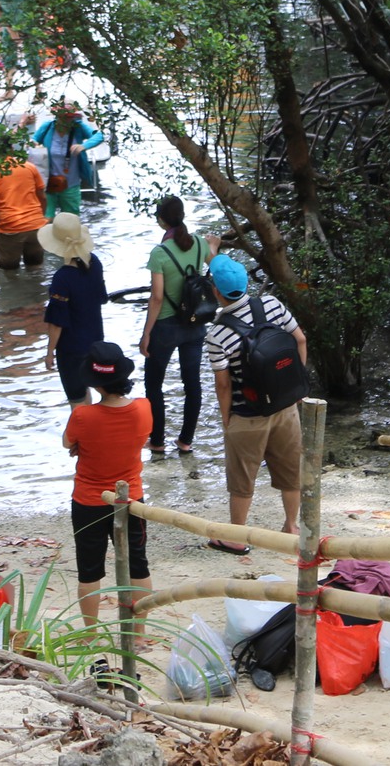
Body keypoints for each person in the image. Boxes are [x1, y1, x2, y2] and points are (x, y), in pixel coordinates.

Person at [202, 256, 308, 555]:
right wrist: (295, 386)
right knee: (290, 470)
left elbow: (223, 385)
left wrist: (227, 420)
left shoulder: (217, 335)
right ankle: (291, 526)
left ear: (216, 292)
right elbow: (300, 339)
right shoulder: (273, 305)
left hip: (248, 414)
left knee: (242, 478)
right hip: (285, 407)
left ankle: (237, 536)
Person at [63, 341, 154, 628]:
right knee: (138, 563)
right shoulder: (143, 408)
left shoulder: (83, 416)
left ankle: (91, 634)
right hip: (131, 499)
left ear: (95, 383)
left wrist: (83, 446)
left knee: (89, 571)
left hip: (89, 500)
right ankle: (138, 634)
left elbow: (68, 442)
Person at [139, 196, 214, 455]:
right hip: (195, 323)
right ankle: (185, 441)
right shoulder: (200, 244)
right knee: (192, 383)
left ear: (162, 220)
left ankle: (157, 441)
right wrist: (215, 246)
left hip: (166, 328)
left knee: (153, 384)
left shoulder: (159, 253)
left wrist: (146, 334)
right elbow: (214, 266)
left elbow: (157, 297)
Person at [39, 213, 106, 405]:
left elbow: (57, 322)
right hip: (95, 342)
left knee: (77, 404)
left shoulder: (62, 277)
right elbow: (101, 297)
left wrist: (50, 351)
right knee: (88, 392)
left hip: (71, 349)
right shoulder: (95, 263)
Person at [0, 129, 48, 270]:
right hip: (36, 226)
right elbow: (42, 196)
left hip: (11, 228)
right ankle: (36, 292)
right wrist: (41, 218)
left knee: (8, 272)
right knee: (35, 268)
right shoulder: (29, 167)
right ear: (11, 149)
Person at [29, 101, 104, 217]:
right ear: (58, 117)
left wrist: (84, 146)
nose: (69, 121)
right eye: (66, 117)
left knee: (71, 219)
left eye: (71, 117)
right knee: (46, 218)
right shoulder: (48, 126)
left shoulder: (78, 127)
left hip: (71, 184)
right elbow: (34, 140)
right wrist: (33, 144)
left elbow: (99, 136)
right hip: (48, 183)